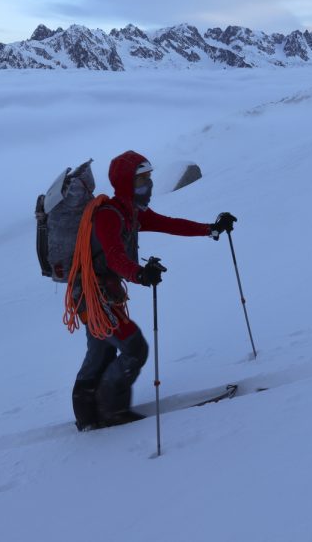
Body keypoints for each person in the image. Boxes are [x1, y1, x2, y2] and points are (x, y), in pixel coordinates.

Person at [68, 150, 236, 431]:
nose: (148, 185)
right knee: (134, 347)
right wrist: (139, 273)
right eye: (141, 180)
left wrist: (211, 229)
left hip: (100, 295)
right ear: (125, 183)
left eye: (149, 178)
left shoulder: (130, 212)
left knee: (102, 352)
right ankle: (111, 411)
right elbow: (114, 256)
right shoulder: (109, 216)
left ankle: (88, 414)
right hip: (94, 297)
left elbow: (170, 224)